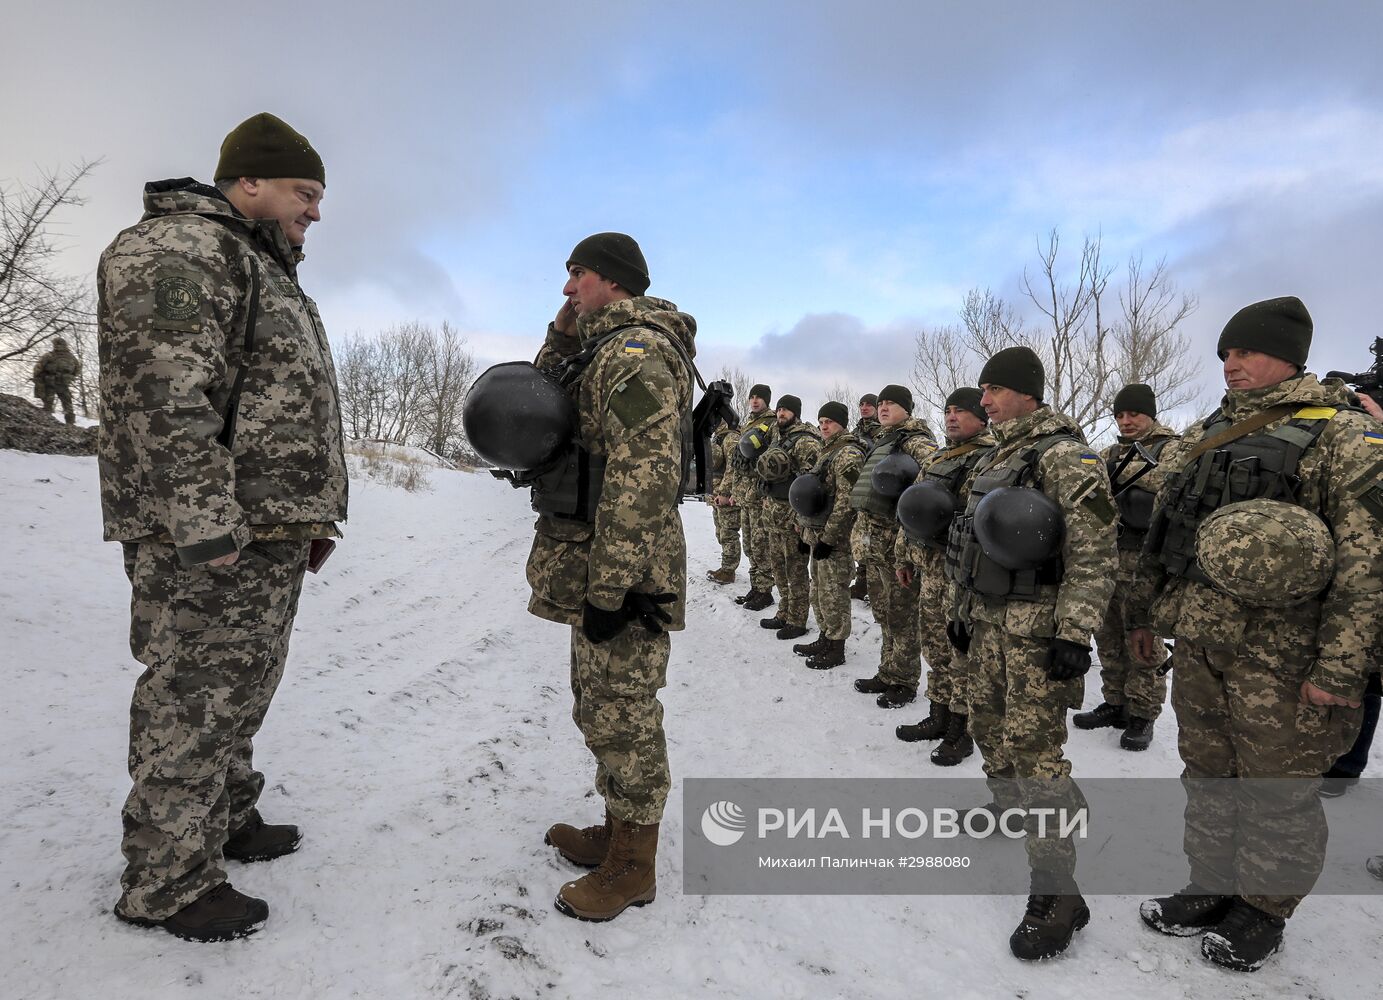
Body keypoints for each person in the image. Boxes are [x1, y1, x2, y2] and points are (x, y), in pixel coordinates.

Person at [98, 112, 346, 941]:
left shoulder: (257, 264)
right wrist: (207, 528)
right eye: (303, 193)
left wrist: (305, 515)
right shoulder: (182, 250)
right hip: (207, 536)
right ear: (249, 183)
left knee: (239, 688)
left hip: (261, 529)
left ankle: (227, 816)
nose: (314, 210)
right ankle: (167, 882)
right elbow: (167, 399)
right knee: (193, 699)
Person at [1131, 297, 1378, 972]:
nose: (1230, 364)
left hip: (1284, 651)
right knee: (1207, 773)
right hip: (1203, 641)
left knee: (1277, 786)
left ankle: (1262, 909)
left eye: (1243, 352)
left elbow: (1366, 561)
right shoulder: (1212, 429)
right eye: (1224, 354)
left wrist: (1339, 668)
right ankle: (1209, 884)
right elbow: (1171, 527)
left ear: (1288, 355)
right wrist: (1154, 617)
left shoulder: (1342, 434)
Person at [528, 232, 695, 922]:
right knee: (597, 707)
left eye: (579, 276)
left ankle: (634, 865)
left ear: (615, 283)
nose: (568, 288)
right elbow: (538, 403)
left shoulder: (637, 355)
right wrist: (561, 335)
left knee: (623, 713)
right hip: (597, 563)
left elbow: (644, 477)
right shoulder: (597, 349)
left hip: (625, 575)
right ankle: (616, 830)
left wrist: (612, 589)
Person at [946, 346, 1117, 960]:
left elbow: (1095, 552)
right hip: (988, 622)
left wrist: (1074, 632)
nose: (983, 400)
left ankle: (1058, 890)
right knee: (989, 728)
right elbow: (970, 545)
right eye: (982, 390)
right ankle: (1005, 803)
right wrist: (961, 613)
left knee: (1036, 752)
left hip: (1036, 631)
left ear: (1028, 393)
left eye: (994, 389)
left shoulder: (1068, 457)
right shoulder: (994, 457)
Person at [1073, 384, 1181, 751]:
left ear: (1150, 413)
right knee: (1108, 638)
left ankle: (1143, 713)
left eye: (1134, 413)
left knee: (1143, 641)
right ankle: (1115, 702)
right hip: (1109, 558)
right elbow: (1088, 494)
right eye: (1120, 415)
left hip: (1148, 564)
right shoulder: (1108, 453)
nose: (1126, 421)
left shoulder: (1171, 448)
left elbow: (1170, 484)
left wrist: (1115, 479)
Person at [895, 387, 994, 765]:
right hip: (930, 567)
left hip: (963, 573)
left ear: (981, 418)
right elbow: (912, 508)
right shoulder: (938, 457)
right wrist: (904, 556)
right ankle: (938, 712)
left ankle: (961, 726)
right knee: (934, 645)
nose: (951, 417)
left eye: (961, 411)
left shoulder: (989, 458)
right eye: (948, 410)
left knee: (961, 653)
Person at [850, 385, 937, 708]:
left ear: (907, 409)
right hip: (875, 545)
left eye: (892, 404)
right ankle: (888, 671)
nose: (884, 408)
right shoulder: (884, 441)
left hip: (897, 543)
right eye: (881, 403)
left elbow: (931, 484)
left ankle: (903, 678)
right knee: (884, 612)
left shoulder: (916, 442)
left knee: (902, 615)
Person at [791, 401, 864, 669]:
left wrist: (830, 539)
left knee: (834, 593)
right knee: (819, 591)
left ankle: (836, 647)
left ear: (842, 423)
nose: (823, 425)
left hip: (834, 540)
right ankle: (825, 636)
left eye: (829, 421)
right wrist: (804, 531)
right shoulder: (827, 452)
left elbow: (846, 502)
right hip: (817, 535)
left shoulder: (848, 454)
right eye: (821, 421)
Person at [755, 395, 822, 640]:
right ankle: (784, 611)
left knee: (795, 571)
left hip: (792, 518)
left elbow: (810, 484)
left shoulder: (805, 442)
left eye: (786, 410)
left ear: (796, 413)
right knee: (779, 569)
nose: (781, 413)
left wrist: (800, 518)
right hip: (773, 514)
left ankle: (797, 618)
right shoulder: (777, 436)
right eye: (779, 409)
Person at [729, 385, 777, 610]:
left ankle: (765, 590)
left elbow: (772, 460)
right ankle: (755, 586)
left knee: (760, 545)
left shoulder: (772, 424)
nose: (755, 401)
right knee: (749, 544)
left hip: (758, 495)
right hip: (744, 495)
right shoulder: (749, 424)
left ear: (767, 400)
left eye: (760, 398)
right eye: (752, 397)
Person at [850, 393, 882, 600]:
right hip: (857, 487)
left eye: (869, 404)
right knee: (860, 539)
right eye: (861, 404)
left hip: (876, 490)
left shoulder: (883, 432)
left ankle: (875, 585)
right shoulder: (856, 431)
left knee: (875, 543)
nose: (864, 407)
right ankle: (862, 582)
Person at [706, 415, 742, 585]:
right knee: (721, 532)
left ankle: (729, 571)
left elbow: (733, 467)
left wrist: (725, 493)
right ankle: (725, 567)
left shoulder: (731, 437)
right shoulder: (719, 436)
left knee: (728, 533)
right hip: (717, 494)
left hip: (725, 495)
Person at [32, 335, 82, 424]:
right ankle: (70, 423)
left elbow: (38, 368)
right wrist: (70, 377)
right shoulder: (71, 357)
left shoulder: (49, 355)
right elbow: (77, 369)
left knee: (48, 404)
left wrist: (37, 378)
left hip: (50, 383)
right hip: (62, 384)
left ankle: (47, 422)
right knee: (67, 404)